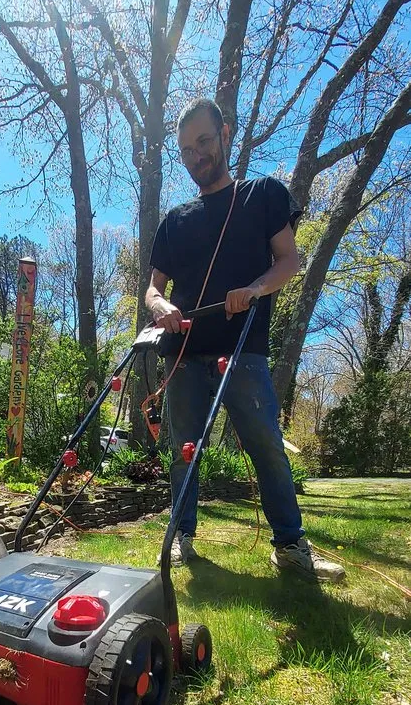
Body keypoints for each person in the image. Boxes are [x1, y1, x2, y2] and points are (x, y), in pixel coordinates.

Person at [146, 97, 344, 582]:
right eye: (187, 149)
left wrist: (254, 290)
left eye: (205, 141)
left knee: (266, 446)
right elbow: (153, 288)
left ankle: (290, 546)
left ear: (226, 133)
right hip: (184, 354)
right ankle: (181, 539)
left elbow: (288, 261)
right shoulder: (174, 220)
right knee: (184, 450)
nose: (197, 155)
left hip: (244, 350)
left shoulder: (263, 196)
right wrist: (162, 307)